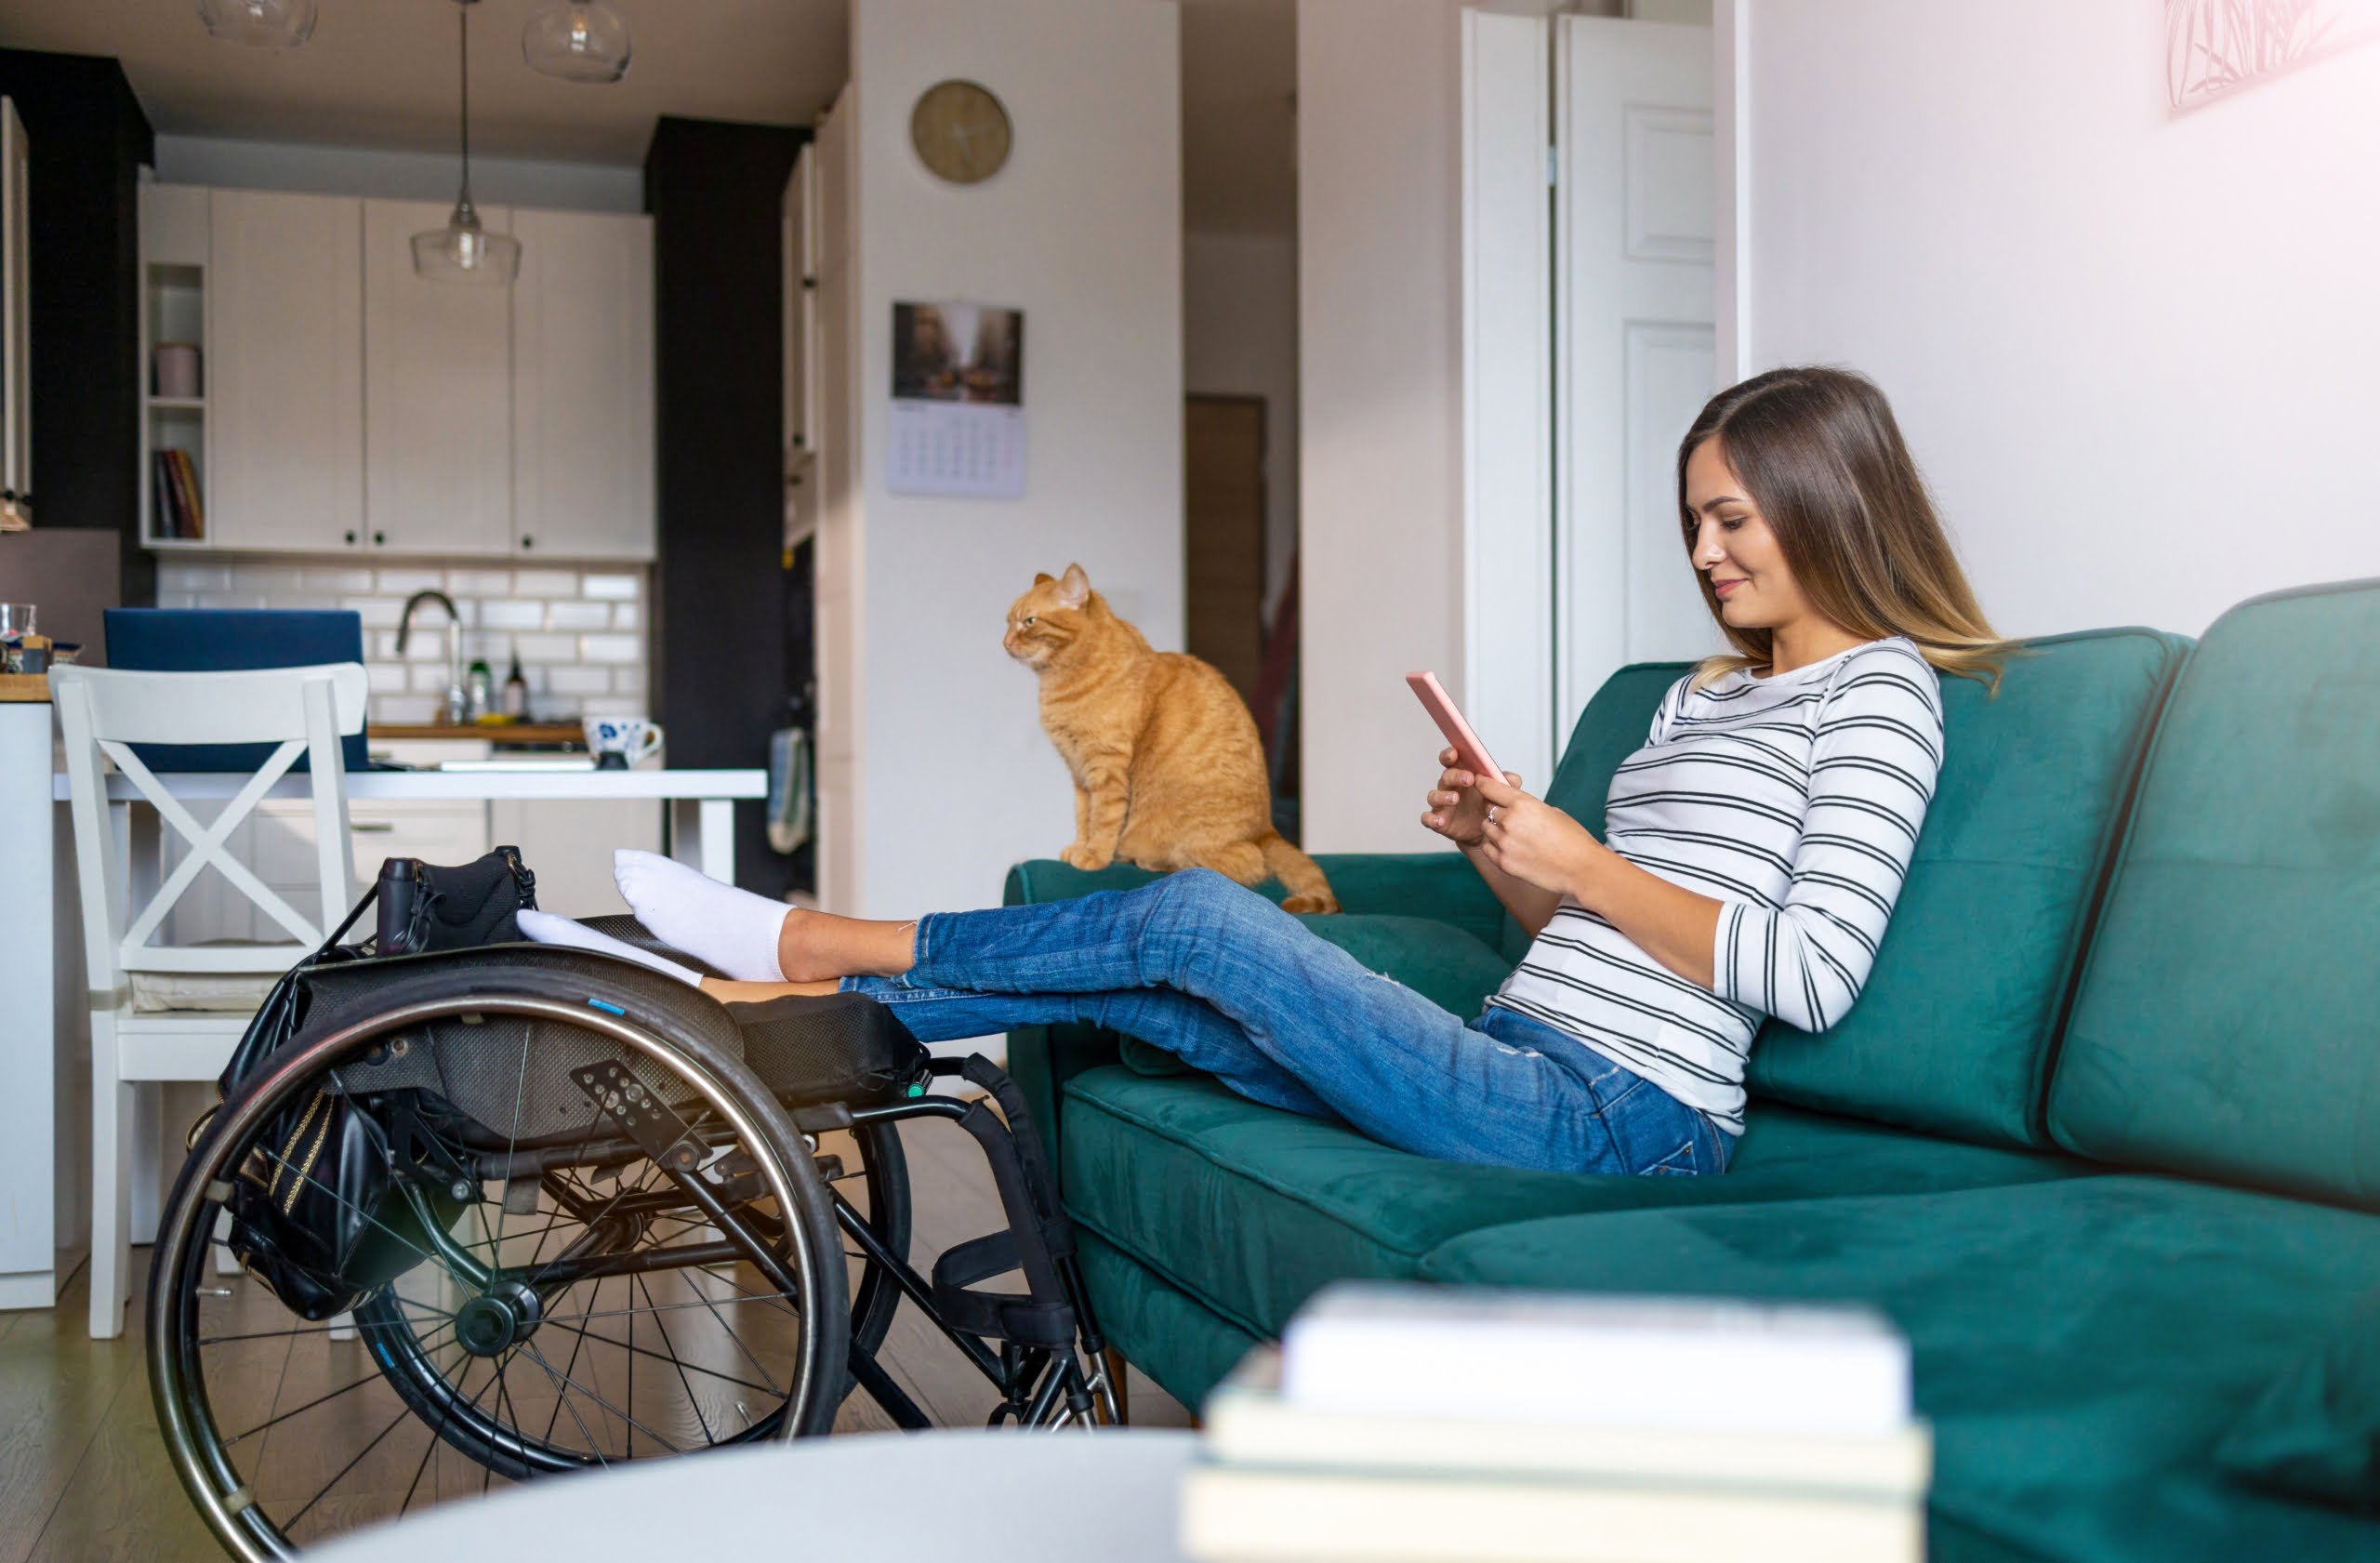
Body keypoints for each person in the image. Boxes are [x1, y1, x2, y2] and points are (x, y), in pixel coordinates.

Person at [522, 366, 2002, 1177]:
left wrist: (1585, 860)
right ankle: (730, 1006)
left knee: (1195, 916)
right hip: (1522, 1044)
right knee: (1148, 976)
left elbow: (1808, 978)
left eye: (1733, 519)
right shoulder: (1692, 698)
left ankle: (809, 939)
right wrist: (1504, 853)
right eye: (1693, 520)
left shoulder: (1879, 697)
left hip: (1626, 1118)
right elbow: (1585, 934)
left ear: (1826, 499)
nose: (1704, 553)